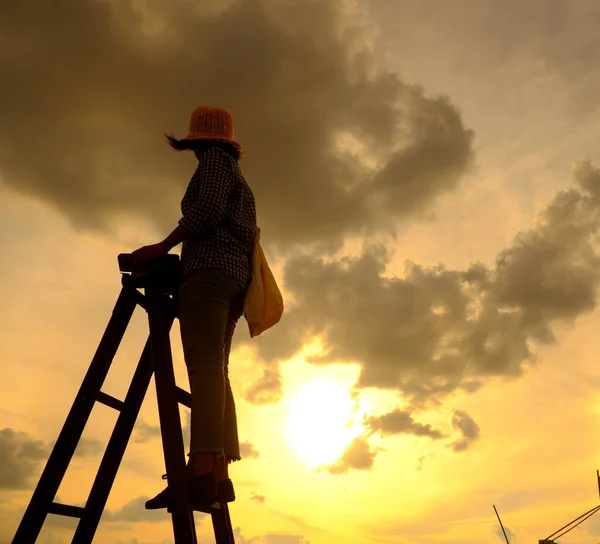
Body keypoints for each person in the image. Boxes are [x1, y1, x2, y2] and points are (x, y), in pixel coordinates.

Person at [129, 106, 257, 510]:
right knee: (217, 368)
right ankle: (220, 474)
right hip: (235, 279)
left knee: (204, 367)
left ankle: (200, 469)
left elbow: (206, 213)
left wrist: (161, 246)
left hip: (208, 274)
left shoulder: (216, 165)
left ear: (198, 141)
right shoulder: (239, 176)